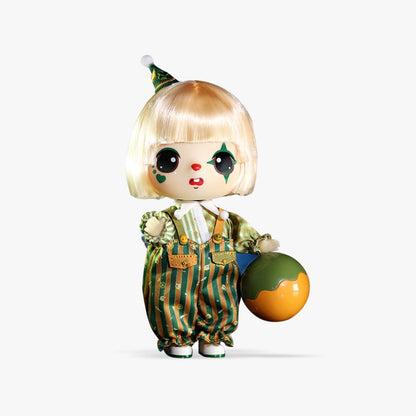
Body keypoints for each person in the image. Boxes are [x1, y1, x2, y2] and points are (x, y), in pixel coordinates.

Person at [126, 56, 279, 358]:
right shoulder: (168, 219)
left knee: (220, 295)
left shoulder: (227, 220)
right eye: (170, 160)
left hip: (217, 284)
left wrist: (258, 244)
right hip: (175, 284)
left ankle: (214, 335)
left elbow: (244, 237)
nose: (196, 168)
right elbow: (154, 235)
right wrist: (156, 231)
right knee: (170, 297)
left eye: (221, 160)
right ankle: (177, 337)